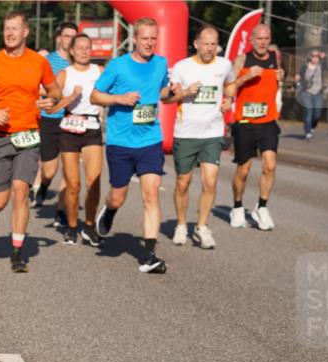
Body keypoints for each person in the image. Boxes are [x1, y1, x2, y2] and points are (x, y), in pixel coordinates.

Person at [90, 17, 184, 274]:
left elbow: (160, 92)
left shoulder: (161, 63)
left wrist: (172, 90)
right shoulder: (118, 66)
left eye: (153, 38)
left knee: (151, 193)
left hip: (150, 139)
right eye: (145, 38)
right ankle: (109, 211)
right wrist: (118, 98)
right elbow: (95, 95)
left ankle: (149, 255)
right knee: (118, 196)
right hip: (121, 142)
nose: (150, 43)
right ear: (134, 39)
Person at [0, 10, 61, 273]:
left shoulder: (38, 62)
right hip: (0, 137)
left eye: (14, 28)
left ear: (25, 32)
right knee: (0, 200)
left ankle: (17, 252)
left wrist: (51, 99)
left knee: (21, 191)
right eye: (6, 28)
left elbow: (55, 89)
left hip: (28, 137)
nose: (9, 33)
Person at [168, 25, 237, 250]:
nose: (210, 48)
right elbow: (169, 98)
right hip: (186, 133)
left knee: (210, 181)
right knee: (183, 182)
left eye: (214, 44)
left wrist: (229, 100)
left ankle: (202, 226)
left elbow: (230, 85)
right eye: (206, 43)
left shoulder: (224, 64)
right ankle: (180, 224)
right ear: (196, 44)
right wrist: (185, 92)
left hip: (213, 132)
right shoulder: (181, 67)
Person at [50, 33, 104, 247]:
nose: (83, 51)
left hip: (91, 128)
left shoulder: (99, 72)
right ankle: (72, 227)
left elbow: (112, 92)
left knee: (94, 180)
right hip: (69, 129)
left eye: (87, 47)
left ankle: (89, 226)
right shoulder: (64, 74)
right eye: (79, 47)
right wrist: (70, 98)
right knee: (73, 185)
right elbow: (52, 106)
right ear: (71, 51)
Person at [229, 23, 284, 231]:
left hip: (268, 121)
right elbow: (230, 88)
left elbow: (276, 83)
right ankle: (237, 206)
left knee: (270, 164)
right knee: (243, 170)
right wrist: (246, 76)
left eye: (266, 38)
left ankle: (261, 207)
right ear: (251, 40)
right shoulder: (242, 60)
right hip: (245, 123)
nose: (262, 42)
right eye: (259, 39)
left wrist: (281, 78)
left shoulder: (274, 57)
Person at [35, 22, 78, 224]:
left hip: (72, 120)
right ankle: (43, 186)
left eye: (73, 36)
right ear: (59, 37)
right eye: (67, 35)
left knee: (69, 170)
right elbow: (37, 87)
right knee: (49, 170)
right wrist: (59, 92)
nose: (70, 39)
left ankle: (61, 211)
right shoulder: (47, 61)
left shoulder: (79, 62)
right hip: (50, 119)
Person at [295, 49, 328, 140]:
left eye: (317, 56)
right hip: (306, 93)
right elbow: (298, 76)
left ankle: (312, 127)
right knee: (309, 112)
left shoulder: (321, 66)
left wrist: (325, 57)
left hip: (318, 93)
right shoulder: (304, 66)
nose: (315, 58)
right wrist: (298, 80)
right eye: (313, 56)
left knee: (317, 114)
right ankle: (307, 132)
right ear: (310, 57)